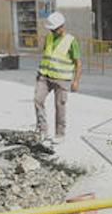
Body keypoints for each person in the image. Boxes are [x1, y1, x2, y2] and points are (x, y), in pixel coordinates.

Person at [34, 11, 81, 143]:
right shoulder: (49, 37)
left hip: (62, 79)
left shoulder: (71, 41)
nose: (52, 32)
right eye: (51, 30)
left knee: (60, 106)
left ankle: (60, 134)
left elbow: (78, 63)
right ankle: (42, 130)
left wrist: (76, 81)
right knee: (38, 100)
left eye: (54, 30)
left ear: (62, 27)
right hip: (44, 76)